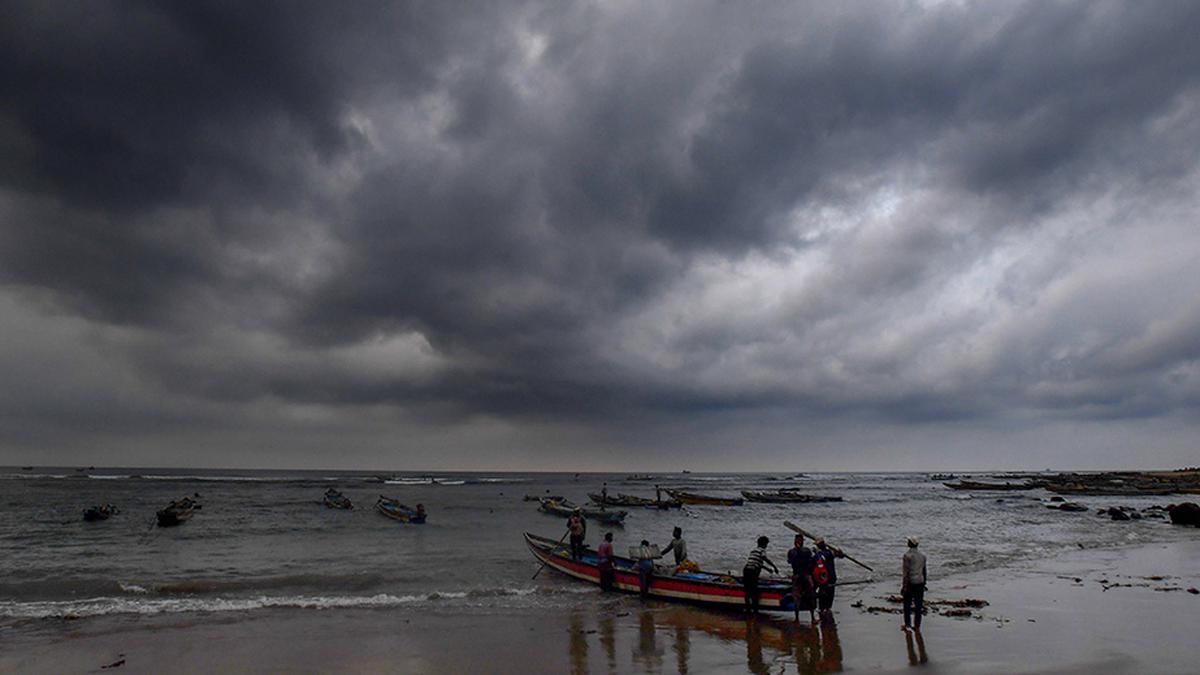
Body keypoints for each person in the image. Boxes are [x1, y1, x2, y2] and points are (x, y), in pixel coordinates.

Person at [812, 538, 845, 624]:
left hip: (825, 578)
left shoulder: (823, 554)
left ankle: (824, 610)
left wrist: (816, 553)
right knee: (829, 594)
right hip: (829, 577)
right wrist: (839, 553)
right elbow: (840, 555)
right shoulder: (829, 552)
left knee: (824, 594)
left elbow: (840, 555)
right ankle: (827, 609)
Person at [742, 536, 779, 612]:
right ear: (764, 544)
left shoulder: (753, 551)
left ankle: (748, 608)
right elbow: (765, 559)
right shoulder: (762, 550)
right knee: (754, 590)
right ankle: (755, 609)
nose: (766, 546)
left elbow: (758, 563)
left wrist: (768, 569)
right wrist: (774, 566)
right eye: (766, 544)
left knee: (747, 590)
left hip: (746, 570)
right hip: (752, 571)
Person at [788, 533, 816, 623]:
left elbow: (808, 559)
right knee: (796, 597)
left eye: (800, 540)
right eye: (796, 540)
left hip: (806, 575)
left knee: (811, 595)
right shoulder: (791, 552)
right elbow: (790, 561)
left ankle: (813, 617)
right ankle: (797, 618)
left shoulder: (806, 550)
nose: (798, 542)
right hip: (797, 575)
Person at [901, 537, 928, 632]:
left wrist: (904, 586)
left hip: (911, 582)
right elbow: (924, 571)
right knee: (918, 605)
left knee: (907, 605)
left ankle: (907, 624)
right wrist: (924, 583)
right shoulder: (923, 556)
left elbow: (906, 573)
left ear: (910, 544)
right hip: (920, 582)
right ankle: (917, 625)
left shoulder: (907, 556)